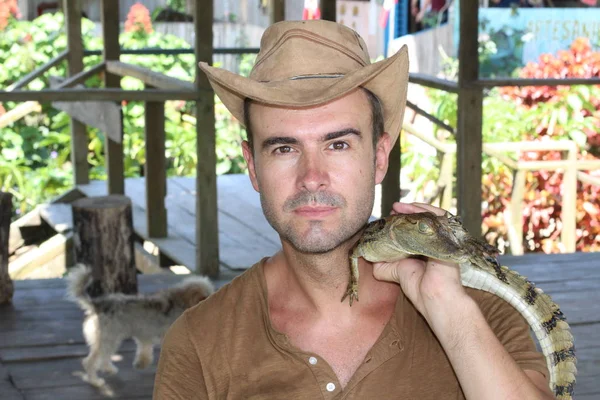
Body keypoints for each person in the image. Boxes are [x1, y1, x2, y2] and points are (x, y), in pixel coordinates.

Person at [153, 20, 553, 399]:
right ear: (253, 167)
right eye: (284, 148)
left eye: (338, 144)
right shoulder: (200, 343)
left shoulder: (476, 308)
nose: (312, 177)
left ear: (379, 157)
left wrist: (449, 312)